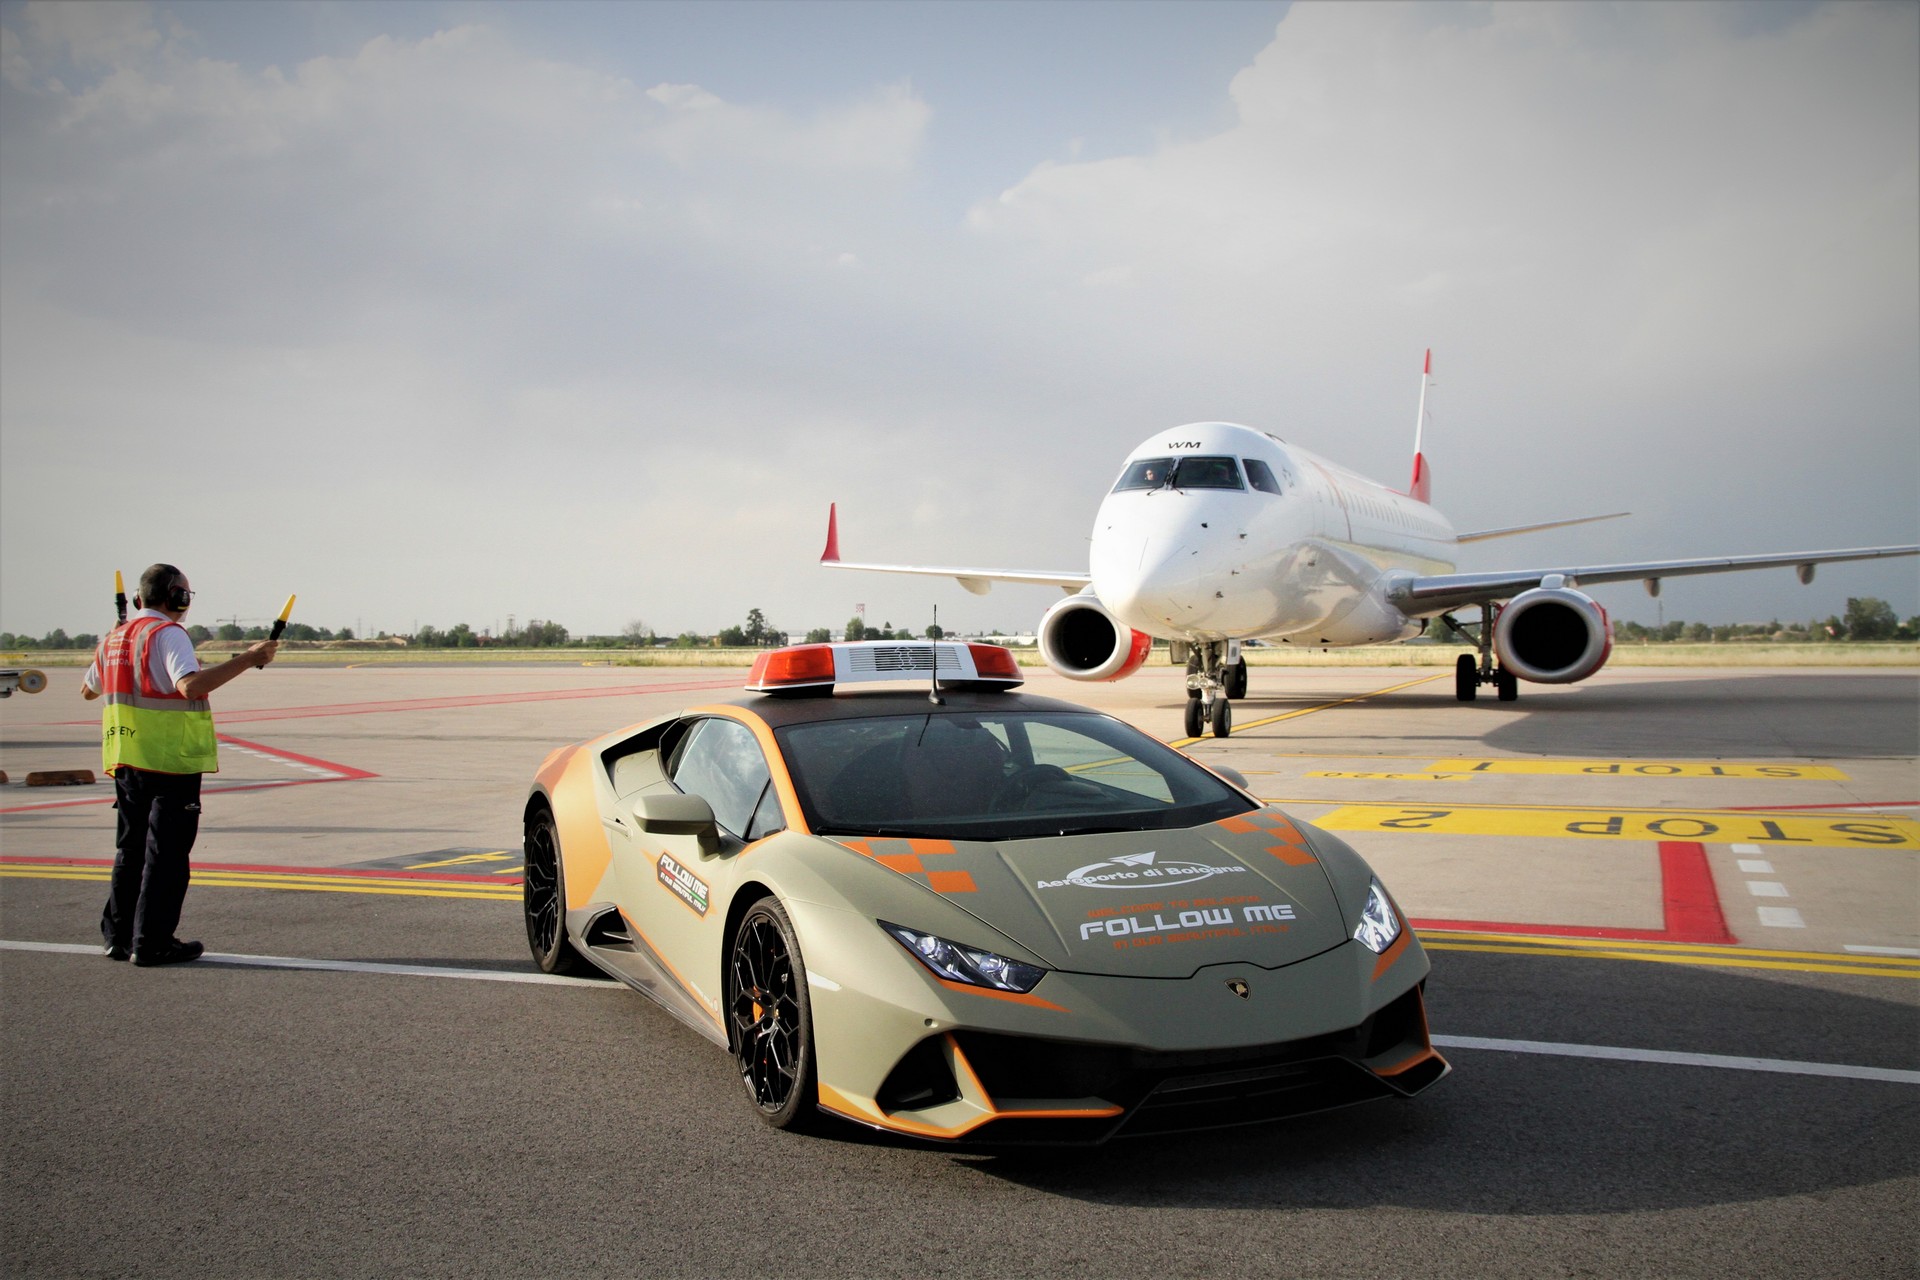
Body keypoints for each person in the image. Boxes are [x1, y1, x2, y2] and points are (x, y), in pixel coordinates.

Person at [82, 564, 278, 966]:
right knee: (167, 855)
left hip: (126, 757)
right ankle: (152, 942)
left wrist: (110, 645)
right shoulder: (168, 634)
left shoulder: (116, 636)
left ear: (138, 599)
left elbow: (88, 690)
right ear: (177, 597)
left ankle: (118, 936)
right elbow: (190, 685)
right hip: (169, 759)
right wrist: (249, 658)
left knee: (131, 848)